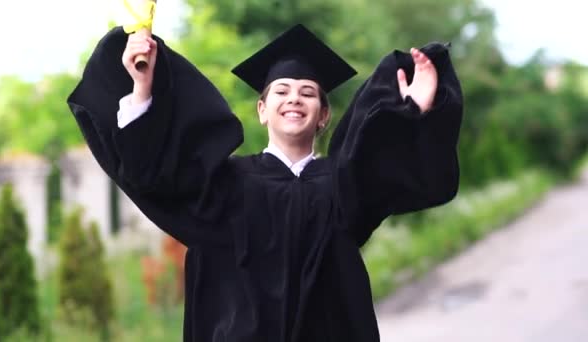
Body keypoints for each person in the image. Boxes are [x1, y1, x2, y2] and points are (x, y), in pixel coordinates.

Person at [67, 23, 462, 342]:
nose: (294, 99)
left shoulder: (343, 188)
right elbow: (153, 175)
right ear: (262, 110)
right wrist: (142, 87)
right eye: (282, 91)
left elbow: (384, 164)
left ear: (323, 116)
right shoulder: (223, 185)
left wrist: (411, 108)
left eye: (308, 93)